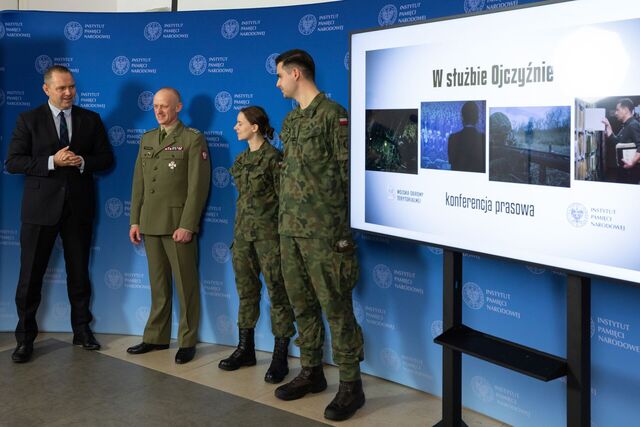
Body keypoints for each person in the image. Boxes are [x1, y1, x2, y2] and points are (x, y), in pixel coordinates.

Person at [273, 49, 365, 421]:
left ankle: (351, 385)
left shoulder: (333, 115)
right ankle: (311, 372)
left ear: (296, 73)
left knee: (336, 307)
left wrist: (342, 234)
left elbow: (348, 177)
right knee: (302, 305)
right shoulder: (291, 121)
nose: (277, 83)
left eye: (280, 76)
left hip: (324, 233)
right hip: (290, 229)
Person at [5, 65, 114, 363]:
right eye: (62, 88)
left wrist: (81, 162)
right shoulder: (28, 120)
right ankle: (25, 339)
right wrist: (52, 161)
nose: (68, 93)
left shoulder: (90, 120)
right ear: (46, 89)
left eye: (72, 87)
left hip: (78, 209)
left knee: (79, 274)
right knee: (30, 278)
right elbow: (13, 162)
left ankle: (82, 331)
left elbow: (105, 159)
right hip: (39, 210)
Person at [127, 87, 211, 364]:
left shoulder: (192, 139)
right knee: (158, 285)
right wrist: (135, 219)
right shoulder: (148, 139)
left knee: (185, 286)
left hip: (177, 224)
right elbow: (139, 183)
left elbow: (197, 188)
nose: (159, 111)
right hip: (150, 222)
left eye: (165, 106)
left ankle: (187, 341)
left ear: (178, 107)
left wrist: (188, 224)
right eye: (155, 106)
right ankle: (155, 337)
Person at [218, 106, 296, 384]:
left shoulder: (274, 159)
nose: (235, 127)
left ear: (255, 127)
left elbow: (285, 203)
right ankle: (245, 349)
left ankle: (280, 356)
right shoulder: (240, 160)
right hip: (243, 239)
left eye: (240, 123)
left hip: (269, 240)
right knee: (246, 292)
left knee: (278, 294)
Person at [447, 101, 486, 173]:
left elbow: (451, 162)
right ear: (477, 118)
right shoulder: (484, 139)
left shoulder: (452, 138)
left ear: (462, 118)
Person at [602, 98, 640, 169]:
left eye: (617, 110)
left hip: (633, 172)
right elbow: (617, 142)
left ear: (625, 110)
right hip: (626, 170)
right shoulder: (626, 126)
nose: (616, 113)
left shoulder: (633, 125)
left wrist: (632, 162)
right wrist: (608, 127)